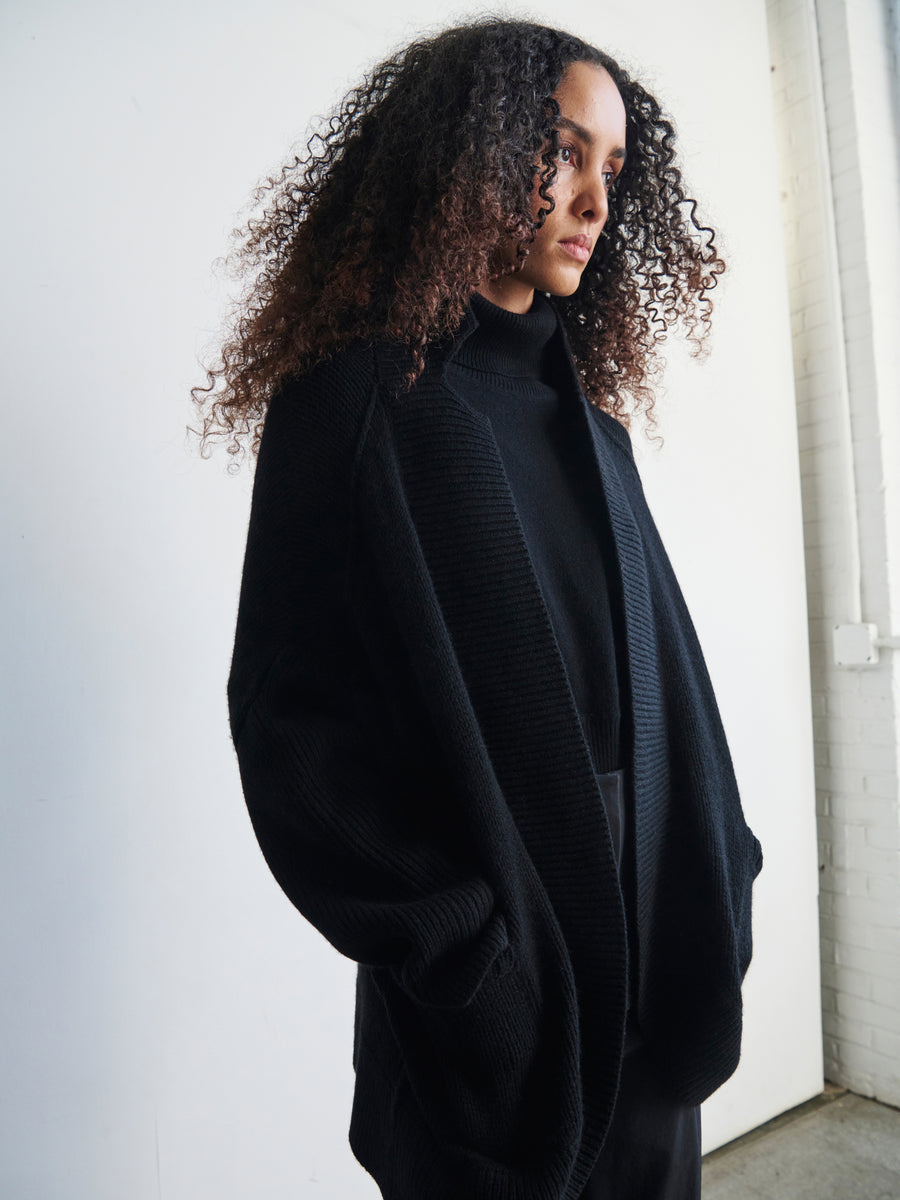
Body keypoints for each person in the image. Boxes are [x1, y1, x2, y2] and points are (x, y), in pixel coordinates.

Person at [193, 18, 764, 1200]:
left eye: (615, 168)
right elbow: (290, 730)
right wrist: (464, 963)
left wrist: (728, 864)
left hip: (659, 1001)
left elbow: (664, 685)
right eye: (565, 151)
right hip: (492, 1036)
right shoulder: (357, 403)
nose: (596, 201)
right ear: (472, 147)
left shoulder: (592, 428)